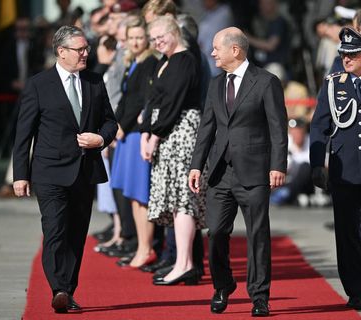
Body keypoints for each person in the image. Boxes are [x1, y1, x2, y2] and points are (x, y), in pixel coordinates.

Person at [12, 25, 117, 313]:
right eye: (80, 49)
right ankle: (59, 288)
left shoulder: (95, 81)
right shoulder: (38, 84)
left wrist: (101, 138)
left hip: (84, 170)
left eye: (87, 49)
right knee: (55, 229)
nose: (86, 53)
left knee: (76, 234)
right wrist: (20, 174)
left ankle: (68, 290)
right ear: (61, 52)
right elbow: (24, 133)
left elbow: (110, 121)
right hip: (49, 171)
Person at [189, 27, 288, 316]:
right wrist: (196, 165)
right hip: (220, 172)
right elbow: (207, 127)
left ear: (235, 50)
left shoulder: (266, 82)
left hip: (255, 171)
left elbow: (277, 127)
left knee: (258, 234)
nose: (212, 52)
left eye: (217, 47)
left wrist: (277, 166)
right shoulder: (216, 83)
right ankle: (223, 284)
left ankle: (259, 296)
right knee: (216, 231)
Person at [141, 15, 207, 286]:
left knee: (182, 199)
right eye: (153, 39)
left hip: (179, 133)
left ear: (175, 33)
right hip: (164, 133)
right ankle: (184, 263)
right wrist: (146, 132)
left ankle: (184, 263)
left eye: (161, 37)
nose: (157, 43)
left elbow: (173, 104)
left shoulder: (185, 60)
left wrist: (153, 136)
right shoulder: (164, 61)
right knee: (175, 199)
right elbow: (154, 100)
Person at [310, 26, 361, 311]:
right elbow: (319, 126)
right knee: (347, 232)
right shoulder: (333, 84)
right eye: (344, 53)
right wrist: (317, 163)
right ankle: (356, 289)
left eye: (353, 53)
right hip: (345, 170)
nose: (347, 58)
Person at [111, 15, 158, 268]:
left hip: (136, 132)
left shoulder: (149, 62)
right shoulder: (134, 61)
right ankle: (141, 246)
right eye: (132, 38)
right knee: (132, 195)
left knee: (141, 195)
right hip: (126, 133)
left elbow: (141, 101)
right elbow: (125, 99)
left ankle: (145, 247)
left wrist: (121, 126)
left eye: (140, 37)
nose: (136, 41)